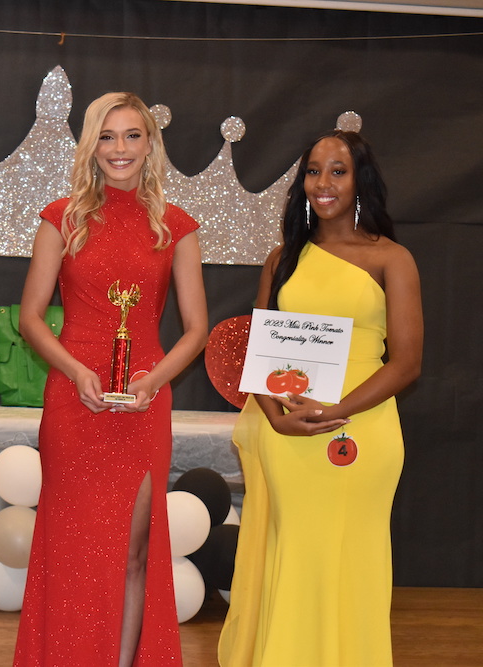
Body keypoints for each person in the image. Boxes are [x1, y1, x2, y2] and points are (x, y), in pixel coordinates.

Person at [13, 92, 209, 666]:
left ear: (150, 144)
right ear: (90, 144)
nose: (119, 149)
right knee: (72, 550)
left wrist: (154, 379)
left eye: (132, 136)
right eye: (107, 136)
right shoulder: (61, 218)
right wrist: (74, 371)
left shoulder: (175, 226)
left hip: (145, 403)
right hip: (76, 403)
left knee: (132, 551)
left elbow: (196, 328)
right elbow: (30, 317)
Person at [218, 130, 422, 666]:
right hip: (287, 436)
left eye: (338, 170)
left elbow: (407, 362)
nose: (323, 183)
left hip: (363, 430)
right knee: (299, 560)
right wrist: (275, 419)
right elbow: (259, 355)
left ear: (361, 180)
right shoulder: (282, 259)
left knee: (354, 563)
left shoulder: (392, 259)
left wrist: (338, 410)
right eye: (313, 170)